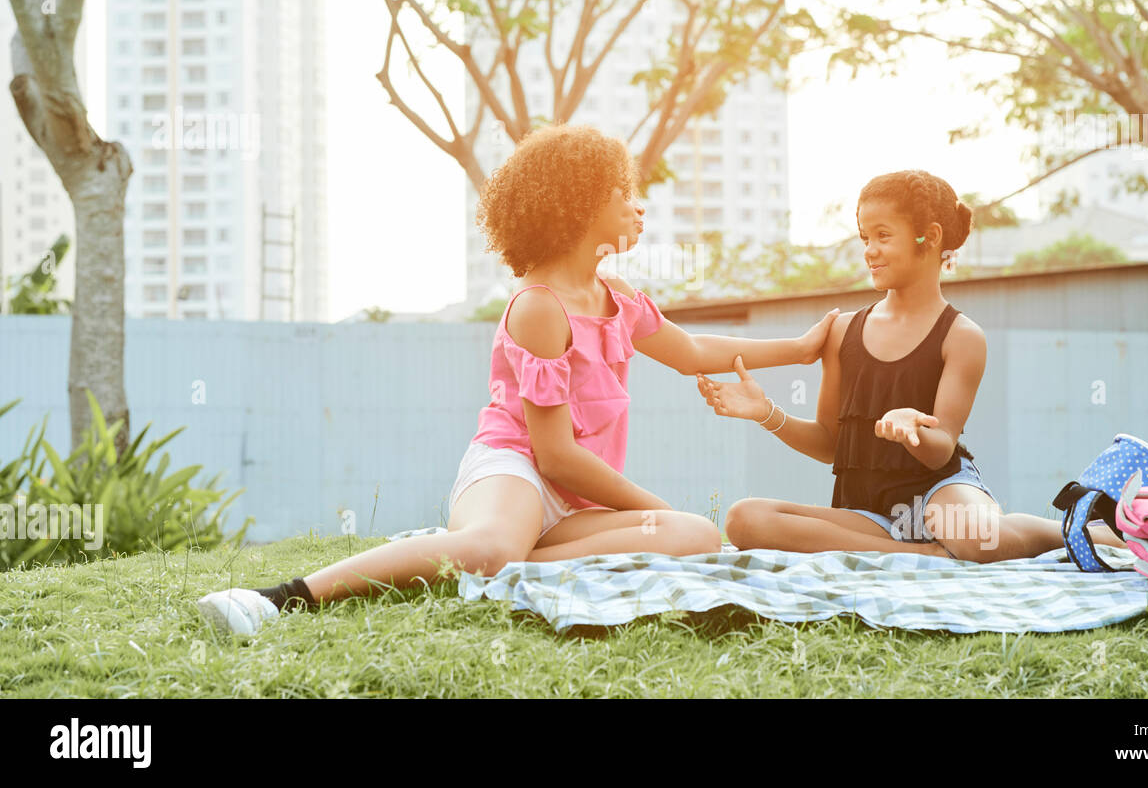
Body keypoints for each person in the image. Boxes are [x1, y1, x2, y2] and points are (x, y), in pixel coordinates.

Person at [198, 124, 839, 633]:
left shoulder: (617, 297)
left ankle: (488, 562)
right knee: (511, 540)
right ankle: (278, 599)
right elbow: (554, 454)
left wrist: (803, 349)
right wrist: (650, 505)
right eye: (624, 192)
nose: (638, 207)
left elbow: (694, 349)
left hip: (571, 507)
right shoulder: (540, 306)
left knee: (695, 536)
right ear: (582, 202)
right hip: (517, 472)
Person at [698, 169, 1126, 562]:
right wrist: (765, 412)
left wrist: (912, 427)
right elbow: (831, 442)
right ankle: (922, 557)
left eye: (883, 236)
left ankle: (1084, 529)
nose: (870, 250)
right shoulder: (842, 331)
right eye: (865, 237)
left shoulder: (961, 336)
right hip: (867, 511)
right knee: (743, 519)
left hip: (940, 493)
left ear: (930, 237)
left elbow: (940, 447)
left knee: (978, 538)